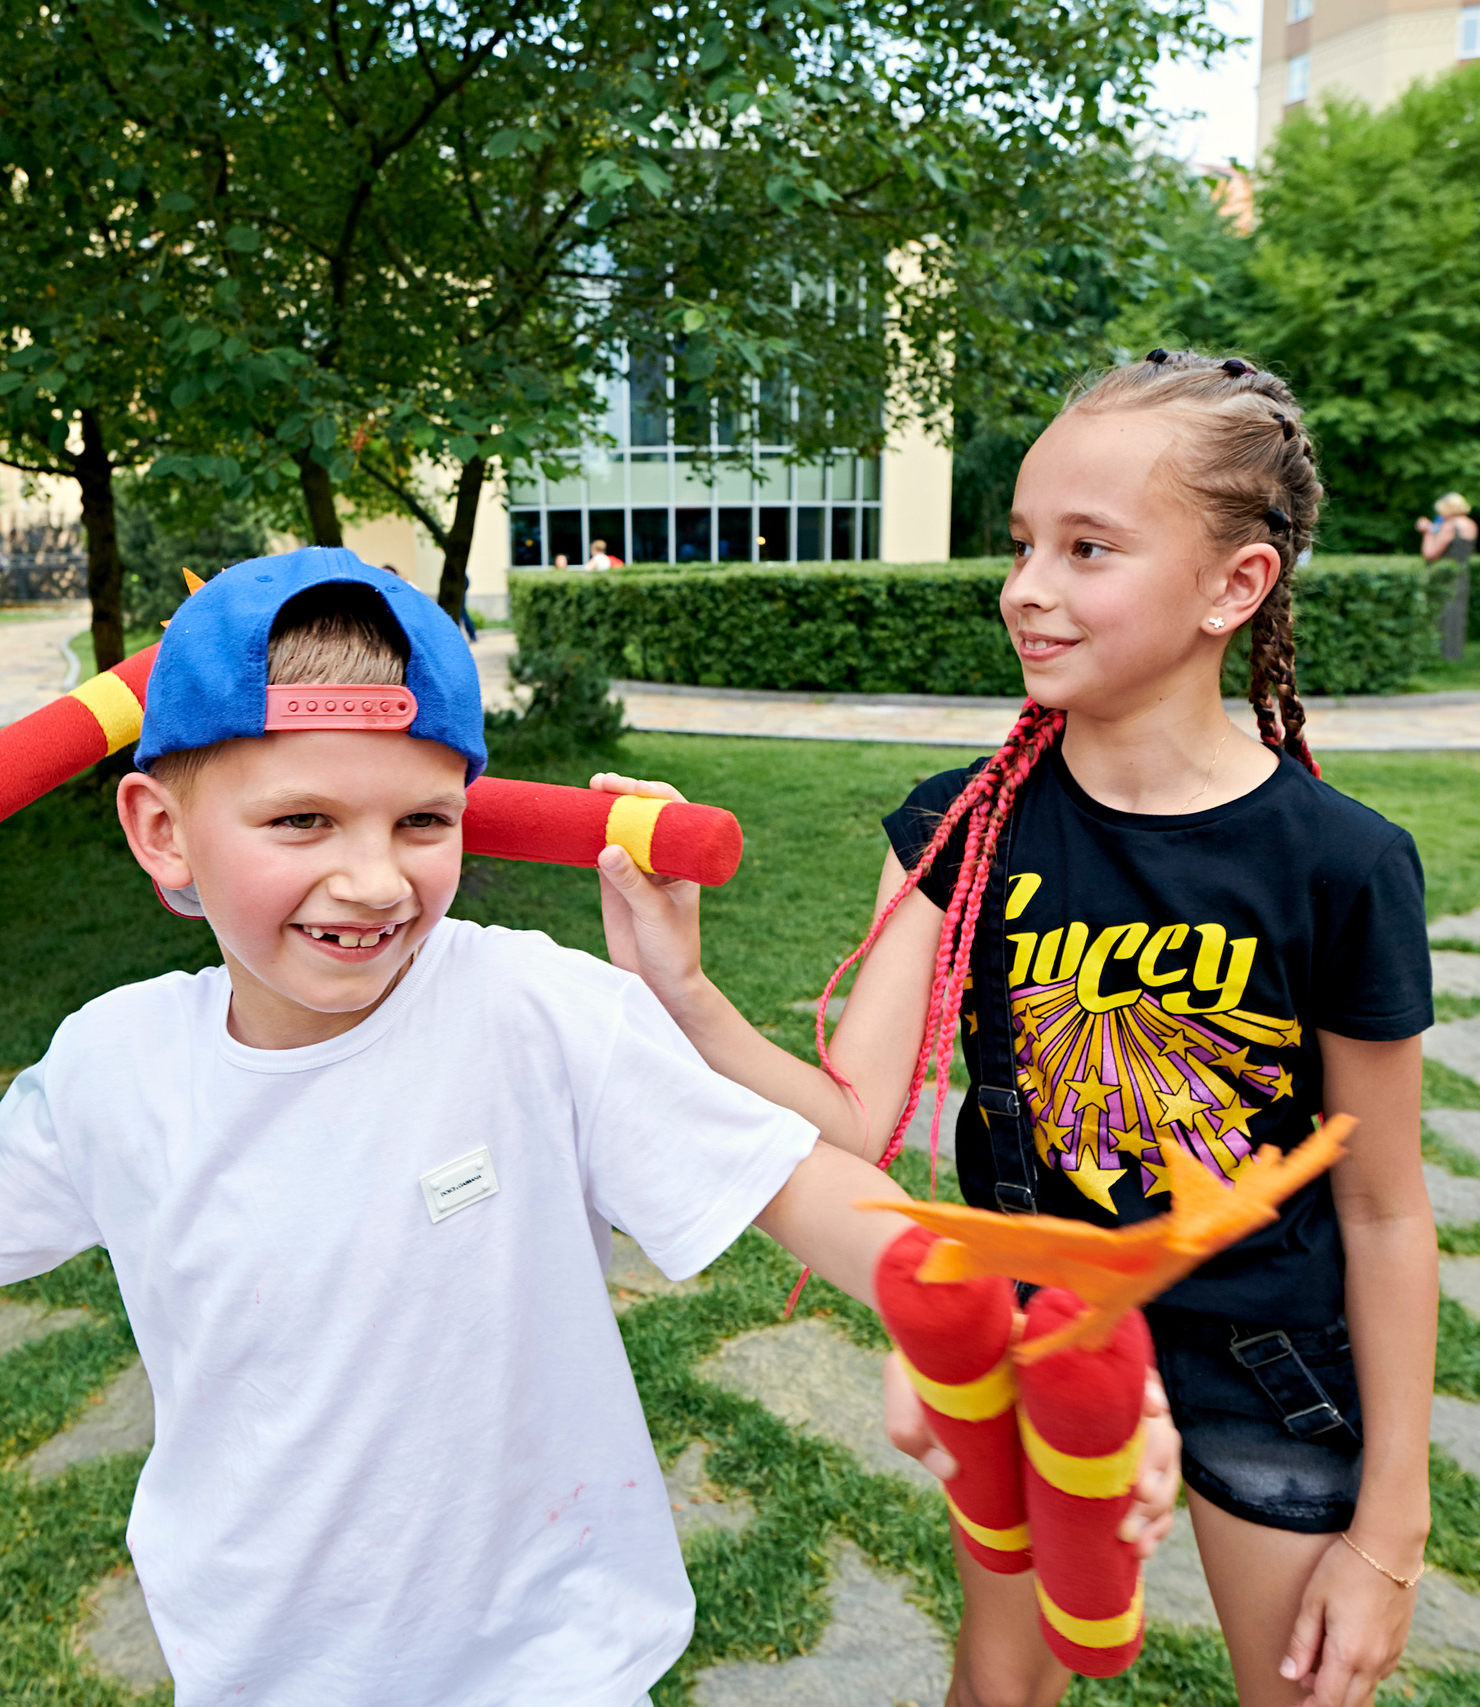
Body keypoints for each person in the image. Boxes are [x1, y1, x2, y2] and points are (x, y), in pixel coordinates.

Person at [0, 547, 1176, 1706]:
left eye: (423, 822)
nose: (375, 880)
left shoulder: (534, 1008)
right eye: (301, 821)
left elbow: (806, 1186)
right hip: (259, 1675)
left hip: (556, 1665)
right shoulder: (114, 1067)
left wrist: (998, 1312)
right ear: (161, 831)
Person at [592, 350, 1435, 1707]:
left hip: (1266, 1355)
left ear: (1235, 586)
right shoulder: (959, 828)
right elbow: (850, 1123)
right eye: (1022, 542)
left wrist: (1390, 1531)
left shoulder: (1342, 863)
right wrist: (683, 988)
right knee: (999, 1691)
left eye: (1086, 548)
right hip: (1037, 1338)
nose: (1026, 587)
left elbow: (1384, 1209)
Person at [1415, 494, 1476, 662]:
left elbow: (1430, 553)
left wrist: (1427, 533)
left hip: (1444, 576)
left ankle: (1439, 656)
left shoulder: (1450, 526)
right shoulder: (1470, 524)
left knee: (1441, 614)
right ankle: (1454, 655)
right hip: (1462, 574)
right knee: (1457, 614)